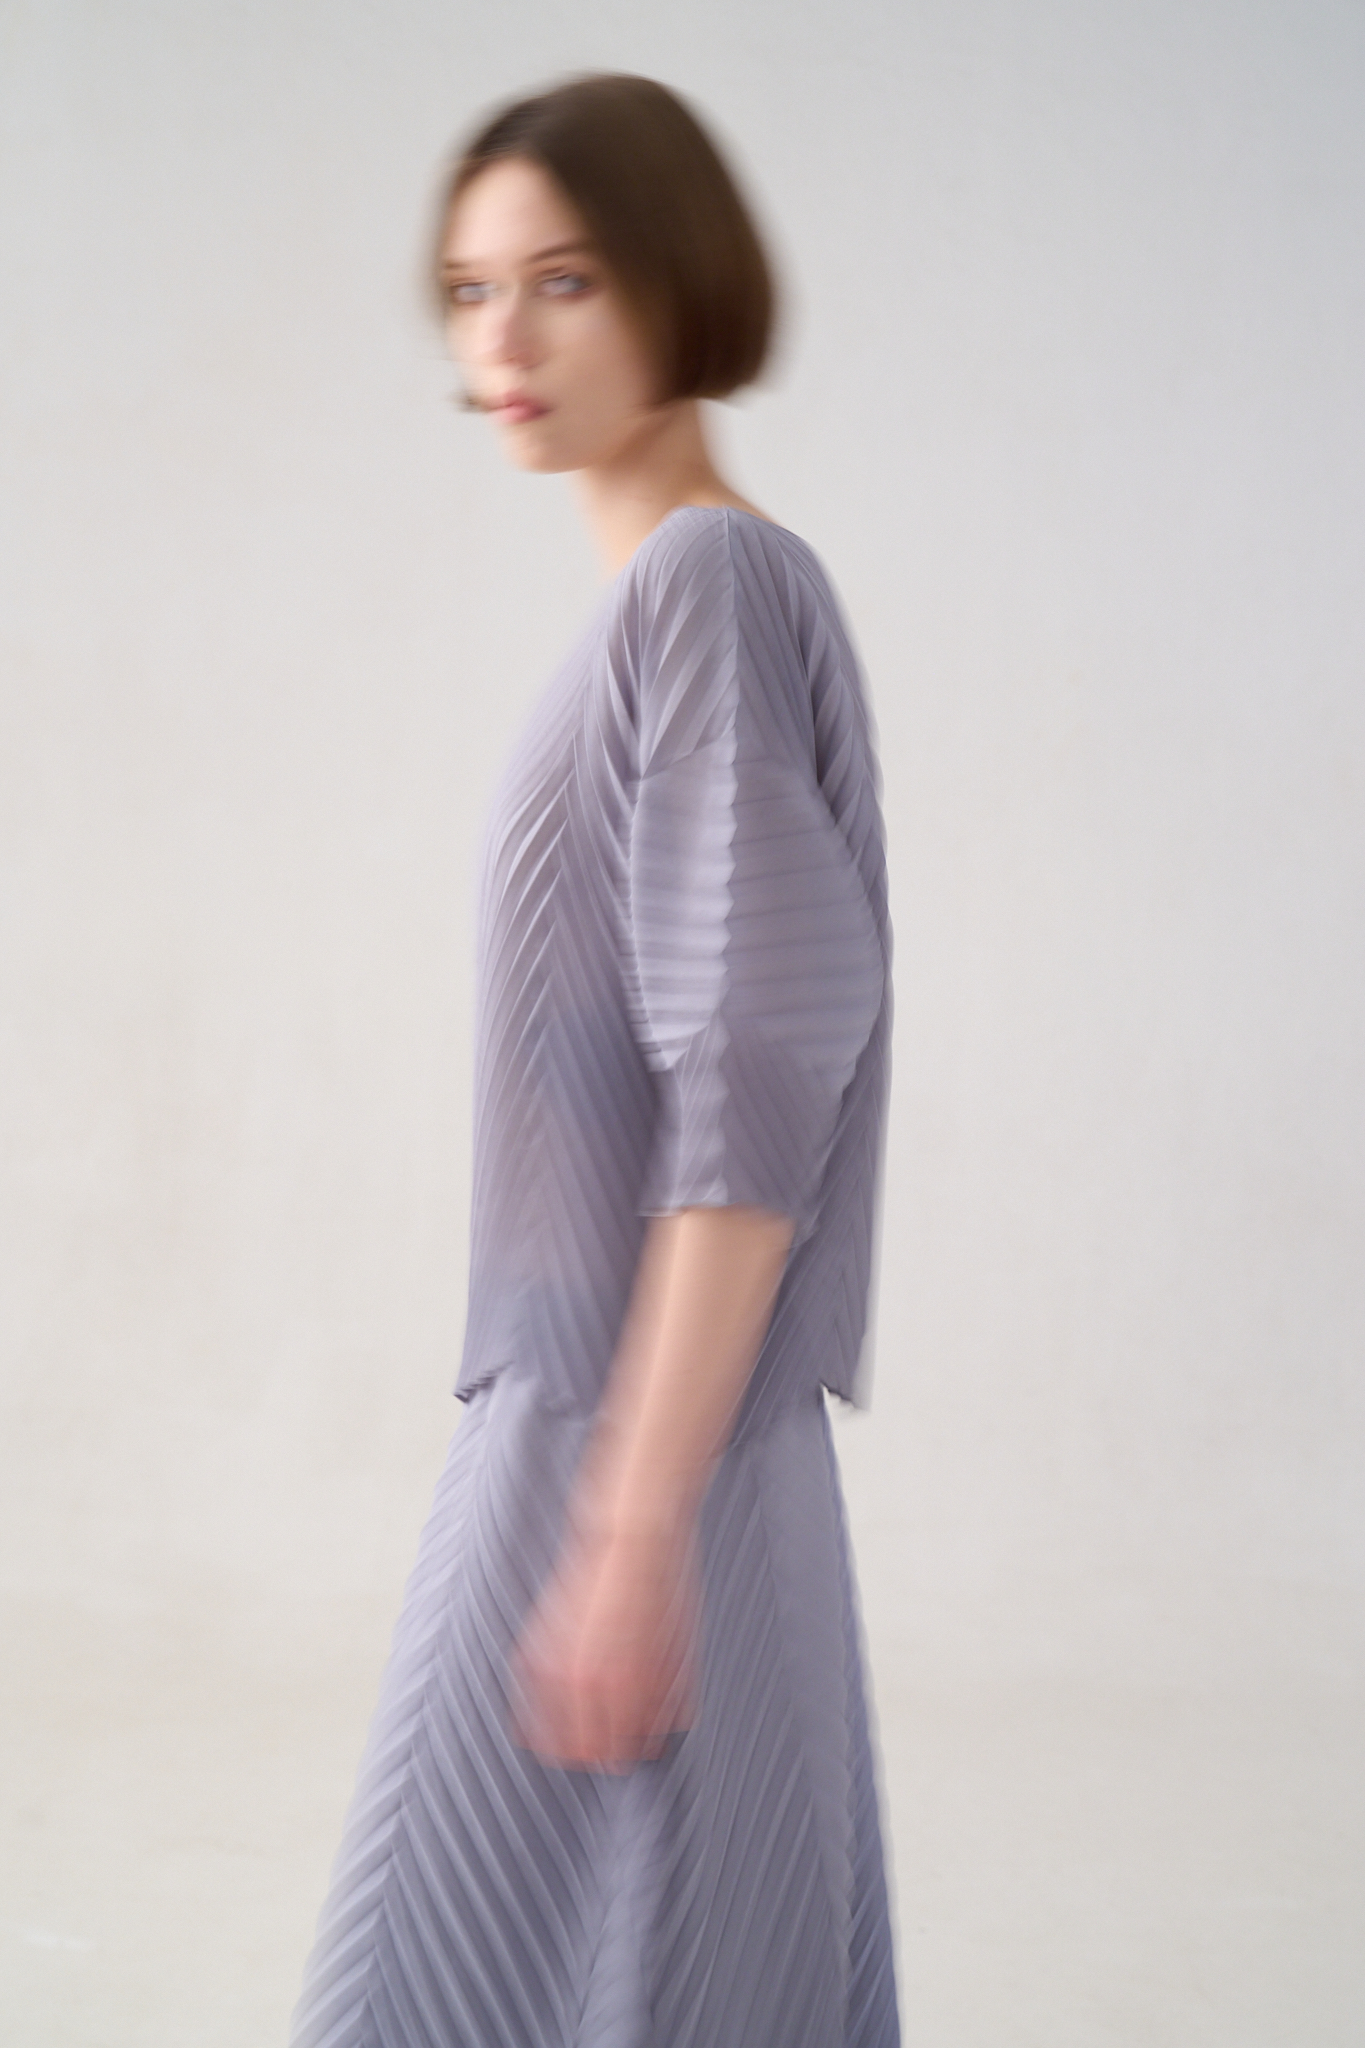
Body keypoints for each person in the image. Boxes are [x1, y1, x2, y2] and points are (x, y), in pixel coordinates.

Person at [289, 70, 898, 2048]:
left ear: (673, 276)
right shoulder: (664, 600)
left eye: (563, 280)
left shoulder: (706, 588)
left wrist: (629, 1527)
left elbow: (754, 1074)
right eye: (470, 292)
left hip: (629, 1445)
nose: (505, 338)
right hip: (624, 1433)